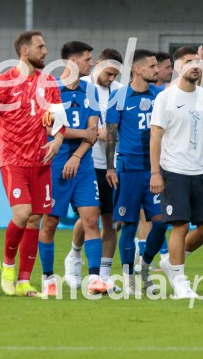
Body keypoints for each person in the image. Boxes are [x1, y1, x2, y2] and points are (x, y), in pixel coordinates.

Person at [0, 30, 66, 298]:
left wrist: (58, 140)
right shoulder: (3, 83)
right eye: (40, 47)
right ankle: (8, 267)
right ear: (24, 51)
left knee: (34, 220)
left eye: (45, 46)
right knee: (22, 213)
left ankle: (23, 282)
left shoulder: (49, 81)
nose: (45, 51)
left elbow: (59, 121)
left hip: (41, 161)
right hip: (13, 160)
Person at [150, 46, 203, 299]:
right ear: (178, 67)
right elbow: (156, 136)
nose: (196, 65)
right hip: (173, 170)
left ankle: (172, 262)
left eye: (198, 62)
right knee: (179, 226)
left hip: (201, 170)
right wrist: (155, 172)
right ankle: (180, 279)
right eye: (189, 62)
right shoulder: (165, 98)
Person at [38, 41, 105, 297]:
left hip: (83, 165)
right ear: (73, 61)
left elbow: (94, 132)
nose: (92, 63)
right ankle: (48, 279)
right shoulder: (50, 89)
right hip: (53, 163)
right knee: (50, 222)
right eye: (88, 59)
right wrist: (81, 135)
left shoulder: (91, 90)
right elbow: (47, 129)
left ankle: (95, 279)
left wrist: (77, 156)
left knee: (91, 218)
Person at [104, 49, 167, 296]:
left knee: (161, 222)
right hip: (128, 170)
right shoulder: (119, 97)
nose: (157, 70)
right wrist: (110, 166)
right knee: (128, 226)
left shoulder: (161, 95)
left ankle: (145, 266)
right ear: (138, 69)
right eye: (152, 66)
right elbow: (110, 135)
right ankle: (129, 278)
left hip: (155, 170)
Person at [64, 48, 122, 288]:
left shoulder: (120, 91)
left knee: (112, 221)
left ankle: (103, 278)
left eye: (115, 75)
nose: (111, 79)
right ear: (97, 64)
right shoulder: (83, 85)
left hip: (113, 164)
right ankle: (74, 255)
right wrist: (93, 132)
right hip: (87, 162)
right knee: (91, 217)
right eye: (109, 73)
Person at [134, 50, 173, 264]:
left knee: (151, 216)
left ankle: (145, 255)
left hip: (154, 163)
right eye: (165, 66)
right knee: (117, 219)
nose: (166, 70)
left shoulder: (162, 94)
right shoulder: (124, 94)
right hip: (129, 165)